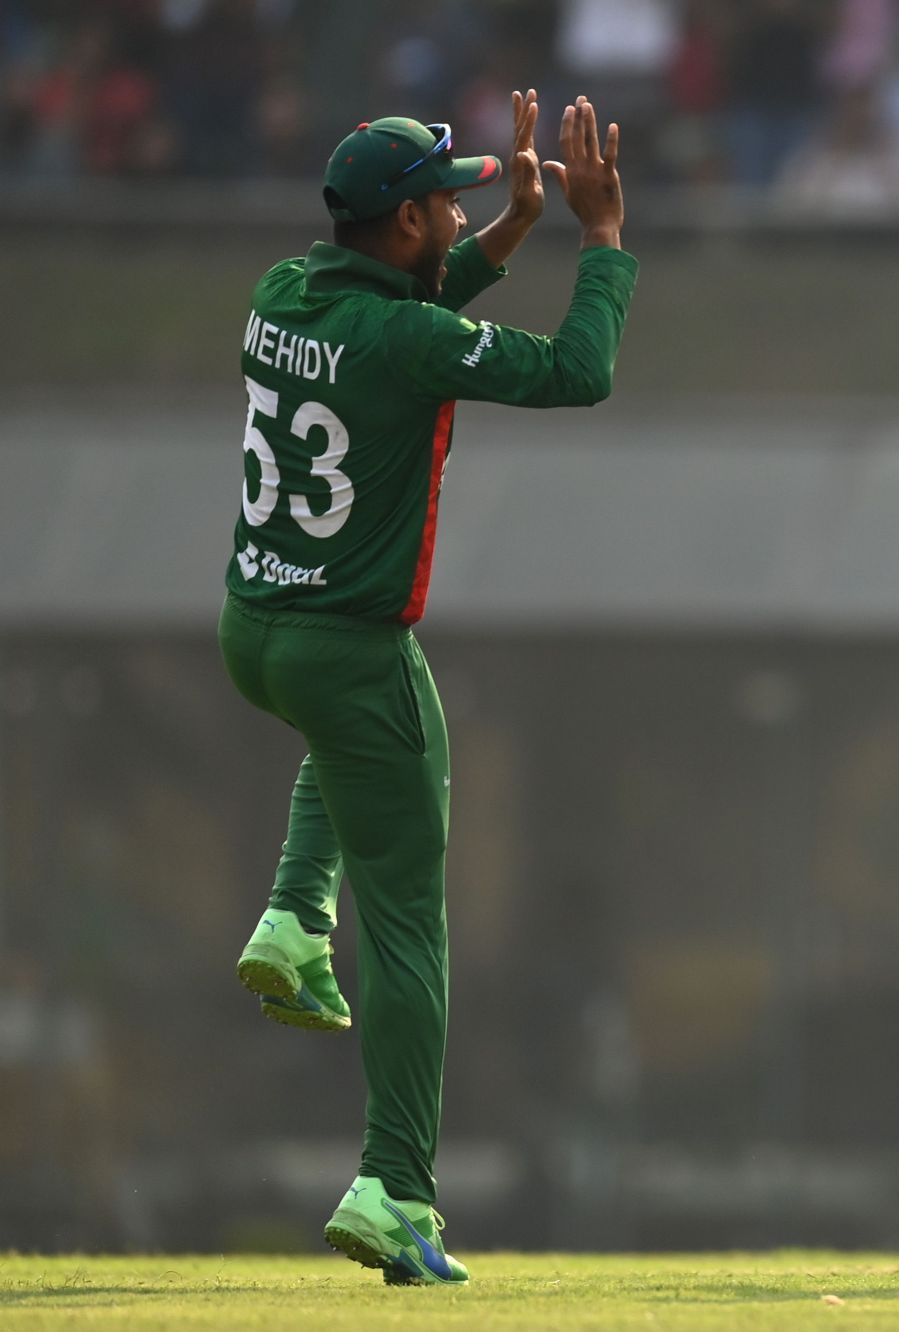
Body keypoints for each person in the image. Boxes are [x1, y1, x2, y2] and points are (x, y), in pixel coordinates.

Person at [221, 90, 634, 1285]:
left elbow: (407, 327)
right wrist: (597, 237)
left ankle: (295, 919)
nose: (460, 203)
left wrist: (505, 231)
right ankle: (394, 1189)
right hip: (350, 644)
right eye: (447, 196)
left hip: (254, 630)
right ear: (405, 225)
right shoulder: (402, 336)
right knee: (408, 927)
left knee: (347, 748)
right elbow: (577, 372)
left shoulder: (282, 295)